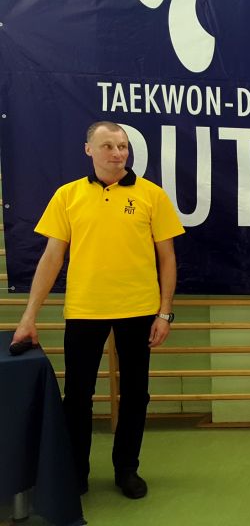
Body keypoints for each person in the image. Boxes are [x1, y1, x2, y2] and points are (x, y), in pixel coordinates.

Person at [12, 121, 185, 498]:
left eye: (122, 146)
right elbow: (52, 258)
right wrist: (29, 316)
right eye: (108, 146)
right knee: (77, 396)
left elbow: (167, 258)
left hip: (138, 309)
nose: (118, 153)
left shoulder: (152, 195)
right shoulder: (68, 195)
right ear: (89, 149)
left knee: (136, 394)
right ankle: (76, 473)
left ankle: (127, 469)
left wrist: (164, 312)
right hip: (84, 310)